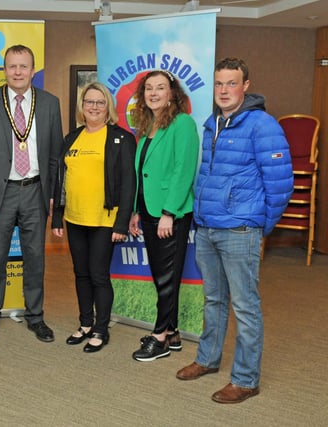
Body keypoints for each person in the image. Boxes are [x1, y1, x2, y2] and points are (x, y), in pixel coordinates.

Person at [176, 58, 293, 404]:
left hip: (241, 230)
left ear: (246, 85)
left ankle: (245, 379)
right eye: (219, 84)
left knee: (245, 306)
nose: (224, 90)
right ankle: (208, 359)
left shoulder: (262, 125)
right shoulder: (212, 123)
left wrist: (259, 226)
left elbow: (281, 184)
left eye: (231, 83)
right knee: (213, 299)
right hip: (209, 227)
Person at [0, 44, 64, 345]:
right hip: (0, 194)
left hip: (35, 191)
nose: (18, 72)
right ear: (5, 70)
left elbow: (55, 156)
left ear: (33, 70)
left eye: (23, 66)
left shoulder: (50, 103)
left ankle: (35, 317)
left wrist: (52, 194)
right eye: (12, 66)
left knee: (35, 257)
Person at [51, 82, 136, 353]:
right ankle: (85, 323)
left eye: (100, 102)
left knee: (99, 275)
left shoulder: (120, 138)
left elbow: (128, 183)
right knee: (81, 273)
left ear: (108, 107)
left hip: (104, 220)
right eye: (89, 101)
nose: (94, 107)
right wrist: (57, 218)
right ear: (82, 106)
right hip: (75, 218)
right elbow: (60, 180)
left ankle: (101, 328)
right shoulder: (72, 138)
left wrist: (121, 222)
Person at [128, 70, 199, 362]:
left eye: (160, 88)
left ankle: (159, 340)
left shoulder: (183, 124)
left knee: (167, 277)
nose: (154, 93)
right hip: (147, 209)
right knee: (161, 275)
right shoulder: (147, 125)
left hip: (170, 212)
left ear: (172, 92)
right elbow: (141, 171)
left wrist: (169, 212)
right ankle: (172, 331)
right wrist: (134, 210)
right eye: (148, 88)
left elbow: (184, 170)